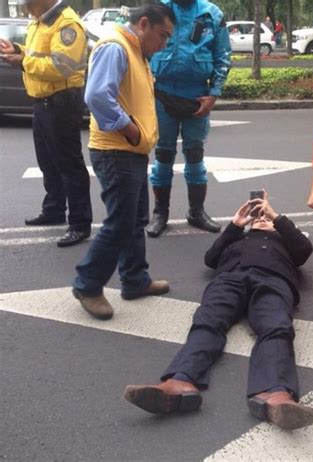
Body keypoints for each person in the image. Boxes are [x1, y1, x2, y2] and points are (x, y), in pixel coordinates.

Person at [124, 194, 313, 431]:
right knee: (207, 322)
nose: (260, 219)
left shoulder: (283, 239)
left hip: (273, 280)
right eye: (257, 219)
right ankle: (180, 382)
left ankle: (276, 395)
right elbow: (211, 258)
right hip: (230, 279)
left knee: (276, 327)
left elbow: (304, 249)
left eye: (265, 219)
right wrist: (236, 225)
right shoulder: (237, 237)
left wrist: (275, 218)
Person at [72, 4, 176, 321]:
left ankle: (134, 279)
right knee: (120, 222)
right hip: (116, 151)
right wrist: (130, 130)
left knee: (134, 220)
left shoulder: (136, 52)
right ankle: (87, 284)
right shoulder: (115, 46)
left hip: (130, 152)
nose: (164, 45)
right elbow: (97, 96)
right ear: (143, 24)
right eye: (162, 36)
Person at [0, 0, 92, 247]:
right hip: (42, 100)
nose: (26, 8)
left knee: (69, 163)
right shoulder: (40, 21)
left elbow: (60, 66)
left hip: (62, 100)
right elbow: (37, 54)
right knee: (47, 160)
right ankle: (54, 208)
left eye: (28, 3)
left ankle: (80, 223)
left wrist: (20, 61)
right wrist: (17, 49)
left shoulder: (67, 24)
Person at [146, 0, 232, 238]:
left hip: (198, 96)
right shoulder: (158, 9)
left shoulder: (212, 14)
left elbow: (223, 55)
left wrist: (214, 93)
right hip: (162, 94)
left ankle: (196, 212)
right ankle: (160, 213)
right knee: (163, 154)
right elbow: (140, 46)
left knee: (195, 154)